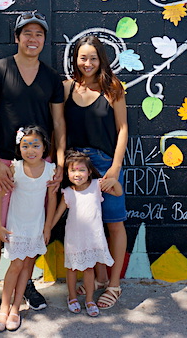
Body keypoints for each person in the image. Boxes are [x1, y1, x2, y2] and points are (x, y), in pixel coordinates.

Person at [0, 11, 65, 322]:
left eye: (38, 34)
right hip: (4, 162)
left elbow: (58, 123)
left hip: (41, 166)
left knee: (32, 228)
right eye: (27, 33)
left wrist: (60, 163)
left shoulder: (52, 78)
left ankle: (24, 286)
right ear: (17, 37)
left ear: (44, 40)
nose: (33, 39)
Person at [63, 34, 128, 309]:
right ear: (75, 59)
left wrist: (114, 169)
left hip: (104, 164)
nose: (87, 63)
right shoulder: (67, 88)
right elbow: (59, 129)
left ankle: (113, 285)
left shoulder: (112, 87)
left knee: (114, 223)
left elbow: (123, 129)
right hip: (76, 167)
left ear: (100, 59)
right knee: (86, 225)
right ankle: (98, 280)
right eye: (82, 57)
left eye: (93, 57)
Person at [0, 126, 57, 331]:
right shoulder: (15, 168)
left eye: (36, 145)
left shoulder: (50, 169)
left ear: (44, 147)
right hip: (17, 227)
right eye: (25, 145)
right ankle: (3, 308)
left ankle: (15, 309)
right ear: (19, 148)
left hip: (36, 227)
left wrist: (47, 228)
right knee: (16, 267)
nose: (31, 150)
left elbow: (52, 201)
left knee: (26, 269)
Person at [50, 150, 122, 317]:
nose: (77, 174)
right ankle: (73, 297)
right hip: (74, 239)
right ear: (67, 173)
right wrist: (47, 229)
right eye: (73, 170)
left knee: (89, 269)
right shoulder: (67, 192)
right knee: (72, 269)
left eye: (81, 170)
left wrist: (113, 181)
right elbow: (58, 214)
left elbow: (118, 192)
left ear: (89, 172)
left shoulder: (97, 186)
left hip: (93, 238)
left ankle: (89, 299)